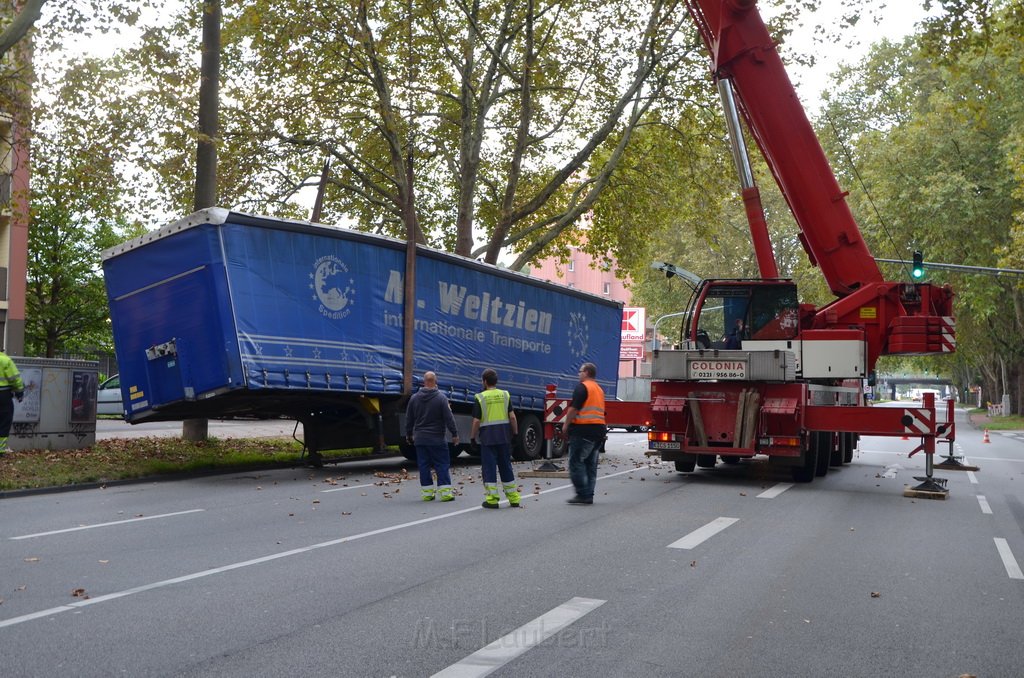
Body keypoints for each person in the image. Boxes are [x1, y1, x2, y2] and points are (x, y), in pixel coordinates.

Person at [406, 371, 460, 502]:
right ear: (435, 382)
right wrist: (454, 434)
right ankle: (446, 493)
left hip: (420, 438)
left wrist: (409, 434)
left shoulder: (414, 398)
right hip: (437, 438)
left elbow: (409, 419)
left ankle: (427, 493)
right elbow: (449, 418)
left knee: (423, 465)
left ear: (424, 382)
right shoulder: (441, 398)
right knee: (441, 464)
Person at [470, 369, 521, 509]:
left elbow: (476, 421)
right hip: (504, 437)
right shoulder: (505, 395)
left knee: (489, 468)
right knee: (506, 467)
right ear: (496, 381)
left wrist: (472, 438)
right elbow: (512, 417)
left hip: (488, 438)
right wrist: (515, 434)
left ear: (485, 382)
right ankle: (514, 498)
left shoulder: (480, 397)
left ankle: (492, 500)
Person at [559, 362, 605, 505]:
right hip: (598, 432)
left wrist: (565, 425)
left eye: (580, 371)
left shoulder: (582, 387)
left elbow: (574, 409)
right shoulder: (598, 389)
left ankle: (582, 493)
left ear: (586, 372)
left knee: (576, 462)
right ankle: (589, 494)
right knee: (590, 465)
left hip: (583, 431)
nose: (578, 374)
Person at [0, 349, 25, 455]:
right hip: (3, 395)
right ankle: (0, 450)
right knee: (4, 421)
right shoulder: (5, 360)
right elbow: (15, 379)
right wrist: (19, 392)